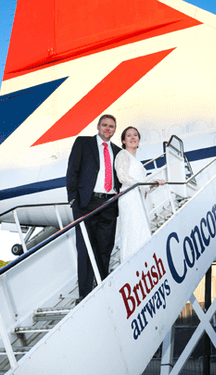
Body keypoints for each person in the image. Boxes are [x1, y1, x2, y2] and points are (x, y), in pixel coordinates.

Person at [66, 114, 122, 304]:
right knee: (85, 249)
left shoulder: (117, 150)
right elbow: (72, 170)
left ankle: (101, 289)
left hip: (109, 204)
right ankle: (84, 294)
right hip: (86, 203)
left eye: (111, 126)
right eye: (105, 125)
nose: (108, 128)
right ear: (98, 126)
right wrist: (73, 199)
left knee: (105, 249)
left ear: (115, 130)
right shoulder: (83, 143)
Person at [114, 126, 164, 262]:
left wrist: (153, 183)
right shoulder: (122, 155)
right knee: (133, 230)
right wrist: (144, 184)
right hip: (129, 197)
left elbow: (142, 186)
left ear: (139, 139)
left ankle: (142, 261)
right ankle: (132, 262)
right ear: (123, 141)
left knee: (140, 229)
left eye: (135, 135)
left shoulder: (136, 161)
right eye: (128, 136)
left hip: (138, 197)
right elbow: (122, 177)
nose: (132, 138)